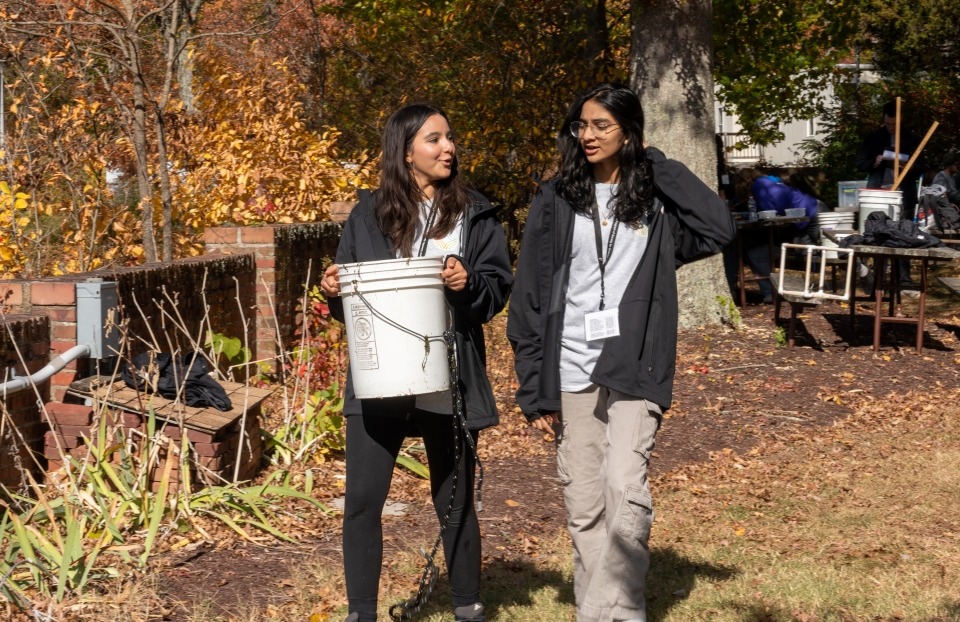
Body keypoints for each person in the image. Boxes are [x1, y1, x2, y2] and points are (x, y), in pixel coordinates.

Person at [506, 83, 735, 622]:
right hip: (570, 365)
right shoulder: (556, 198)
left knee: (625, 488)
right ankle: (596, 613)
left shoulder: (655, 202)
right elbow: (530, 296)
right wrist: (533, 383)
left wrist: (653, 162)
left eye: (601, 126)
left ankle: (621, 612)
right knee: (584, 501)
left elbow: (718, 227)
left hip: (635, 361)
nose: (587, 135)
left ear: (627, 133)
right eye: (581, 125)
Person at [320, 103, 512, 622]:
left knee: (454, 500)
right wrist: (333, 290)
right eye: (435, 139)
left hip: (448, 377)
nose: (448, 147)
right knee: (362, 501)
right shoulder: (368, 215)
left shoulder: (475, 214)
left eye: (450, 137)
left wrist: (468, 283)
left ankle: (467, 606)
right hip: (379, 376)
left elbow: (496, 291)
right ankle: (362, 612)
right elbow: (351, 299)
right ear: (406, 152)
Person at [855, 101, 923, 287]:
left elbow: (921, 168)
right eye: (888, 124)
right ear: (883, 120)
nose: (891, 128)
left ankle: (904, 277)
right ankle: (878, 277)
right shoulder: (874, 138)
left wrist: (905, 165)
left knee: (904, 233)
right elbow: (860, 163)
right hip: (879, 192)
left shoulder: (911, 139)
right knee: (877, 233)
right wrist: (874, 162)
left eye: (895, 124)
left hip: (903, 193)